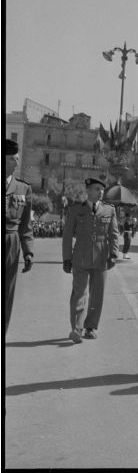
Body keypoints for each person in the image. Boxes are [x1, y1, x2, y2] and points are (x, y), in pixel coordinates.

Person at [62, 178, 119, 343]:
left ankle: (91, 327)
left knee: (97, 295)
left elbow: (114, 234)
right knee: (79, 293)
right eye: (96, 189)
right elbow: (67, 236)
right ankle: (76, 329)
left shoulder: (109, 210)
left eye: (102, 189)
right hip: (80, 256)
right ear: (88, 190)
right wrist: (67, 258)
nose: (100, 192)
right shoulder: (75, 210)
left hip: (101, 257)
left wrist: (114, 254)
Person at [4, 139, 34, 334]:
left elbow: (26, 225)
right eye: (13, 159)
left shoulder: (24, 188)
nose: (17, 163)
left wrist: (28, 252)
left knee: (7, 291)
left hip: (10, 242)